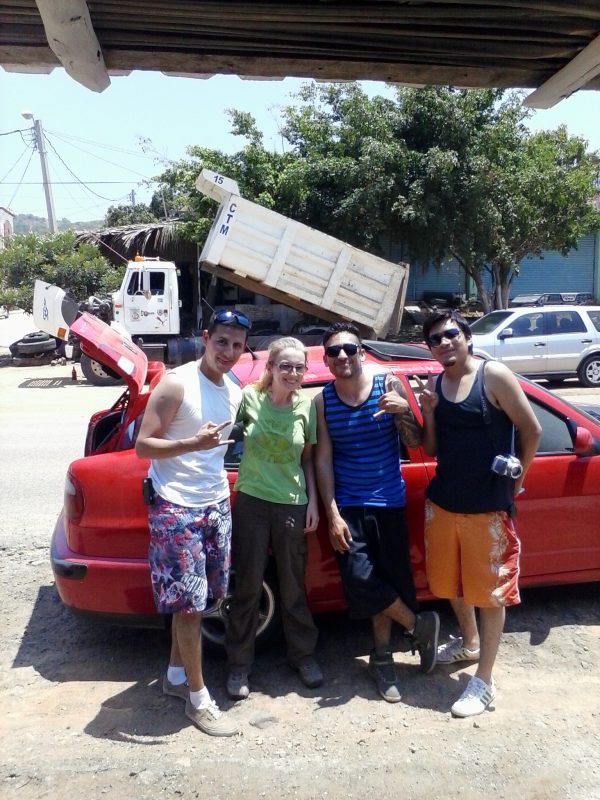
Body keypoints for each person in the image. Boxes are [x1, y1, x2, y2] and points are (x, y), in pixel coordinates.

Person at [135, 308, 251, 737]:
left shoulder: (234, 390)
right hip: (176, 507)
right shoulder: (177, 384)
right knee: (189, 606)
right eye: (222, 342)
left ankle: (175, 676)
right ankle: (198, 701)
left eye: (237, 345)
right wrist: (191, 442)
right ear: (206, 338)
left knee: (206, 599)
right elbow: (143, 447)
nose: (228, 352)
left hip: (216, 502)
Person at [419, 310, 541, 717]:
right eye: (435, 339)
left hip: (488, 508)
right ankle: (469, 643)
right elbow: (433, 450)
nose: (444, 343)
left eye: (451, 334)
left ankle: (484, 681)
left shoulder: (494, 376)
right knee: (449, 583)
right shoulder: (438, 382)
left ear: (467, 337)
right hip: (444, 503)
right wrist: (429, 411)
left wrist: (515, 484)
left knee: (490, 595)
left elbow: (532, 429)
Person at [314, 322, 440, 703]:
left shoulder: (388, 386)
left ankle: (382, 658)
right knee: (361, 577)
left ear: (361, 351)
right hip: (349, 504)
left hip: (389, 501)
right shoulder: (323, 401)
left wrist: (405, 410)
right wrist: (331, 512)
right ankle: (420, 626)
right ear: (326, 359)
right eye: (334, 352)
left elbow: (417, 442)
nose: (342, 356)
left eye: (348, 349)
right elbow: (323, 458)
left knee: (386, 580)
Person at [225, 337, 322, 699]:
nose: (293, 373)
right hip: (251, 499)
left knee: (293, 585)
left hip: (291, 503)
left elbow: (308, 459)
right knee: (247, 585)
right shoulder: (250, 398)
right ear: (271, 369)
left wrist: (312, 501)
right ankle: (238, 666)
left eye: (299, 367)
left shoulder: (306, 407)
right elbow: (224, 435)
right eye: (285, 366)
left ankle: (304, 656)